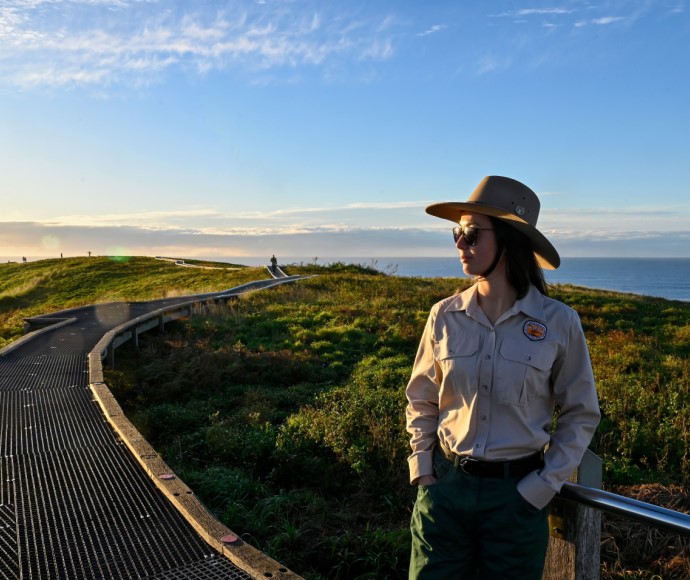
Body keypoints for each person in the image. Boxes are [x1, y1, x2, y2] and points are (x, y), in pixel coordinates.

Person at [406, 176, 600, 579]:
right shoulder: (443, 316)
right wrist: (423, 469)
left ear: (510, 239)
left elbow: (582, 413)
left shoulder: (559, 323)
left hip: (516, 499)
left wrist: (542, 487)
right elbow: (422, 399)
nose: (460, 243)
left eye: (472, 234)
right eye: (457, 232)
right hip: (446, 489)